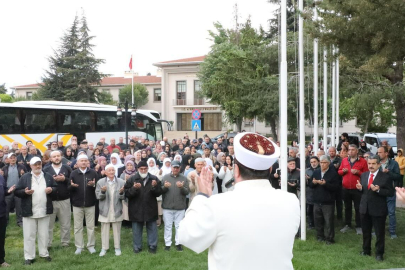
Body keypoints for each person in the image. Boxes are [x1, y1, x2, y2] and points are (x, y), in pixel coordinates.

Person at [178, 132, 300, 270]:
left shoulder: (217, 205)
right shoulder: (291, 201)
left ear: (236, 171)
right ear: (270, 169)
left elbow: (186, 236)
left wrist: (201, 196)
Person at [14, 157, 57, 265]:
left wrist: (51, 190)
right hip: (29, 211)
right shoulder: (25, 177)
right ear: (31, 166)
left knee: (44, 234)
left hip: (44, 210)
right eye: (35, 164)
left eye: (39, 164)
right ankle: (29, 256)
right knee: (29, 235)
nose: (38, 166)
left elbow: (56, 188)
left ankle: (44, 253)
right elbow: (17, 192)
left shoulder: (47, 176)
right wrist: (25, 192)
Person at [356, 155, 394, 261]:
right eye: (369, 163)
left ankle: (379, 253)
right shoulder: (364, 175)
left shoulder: (385, 177)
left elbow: (391, 193)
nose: (371, 166)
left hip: (378, 209)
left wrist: (378, 190)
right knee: (366, 231)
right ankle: (366, 250)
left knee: (379, 233)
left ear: (378, 164)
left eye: (373, 164)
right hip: (365, 208)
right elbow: (364, 192)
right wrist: (360, 189)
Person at [124, 161, 162, 254]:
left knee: (152, 228)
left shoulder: (154, 178)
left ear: (148, 169)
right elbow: (127, 194)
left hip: (150, 207)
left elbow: (159, 192)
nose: (143, 170)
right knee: (137, 229)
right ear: (138, 169)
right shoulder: (132, 179)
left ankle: (152, 246)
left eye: (145, 168)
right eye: (141, 169)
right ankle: (137, 247)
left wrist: (154, 187)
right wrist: (134, 188)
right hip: (136, 208)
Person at [69, 155, 98, 255]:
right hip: (77, 204)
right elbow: (69, 188)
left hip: (90, 203)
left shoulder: (93, 173)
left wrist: (93, 185)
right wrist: (72, 186)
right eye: (82, 161)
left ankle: (91, 245)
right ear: (77, 163)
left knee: (90, 226)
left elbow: (98, 187)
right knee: (78, 227)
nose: (84, 162)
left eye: (85, 160)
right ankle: (79, 246)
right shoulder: (73, 173)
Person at [43, 151, 72, 248]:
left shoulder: (67, 168)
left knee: (65, 223)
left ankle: (65, 243)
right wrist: (51, 181)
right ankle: (48, 244)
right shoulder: (46, 169)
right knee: (48, 224)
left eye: (58, 156)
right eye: (54, 156)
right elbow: (42, 183)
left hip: (64, 199)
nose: (56, 158)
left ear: (61, 157)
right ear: (50, 158)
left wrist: (65, 179)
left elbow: (73, 183)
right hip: (50, 200)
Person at [96, 164, 125, 257]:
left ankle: (117, 248)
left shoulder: (121, 182)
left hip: (116, 209)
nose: (112, 172)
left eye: (113, 170)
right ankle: (104, 248)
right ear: (105, 172)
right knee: (104, 230)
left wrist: (121, 193)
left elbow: (124, 197)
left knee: (117, 229)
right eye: (109, 170)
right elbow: (98, 196)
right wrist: (103, 192)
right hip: (105, 209)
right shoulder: (100, 182)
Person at [338, 144, 368, 234]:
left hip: (357, 188)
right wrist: (342, 171)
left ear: (357, 151)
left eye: (352, 150)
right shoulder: (344, 160)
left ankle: (359, 226)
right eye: (349, 150)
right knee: (347, 207)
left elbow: (366, 174)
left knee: (358, 207)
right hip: (346, 188)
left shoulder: (363, 161)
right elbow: (339, 171)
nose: (350, 151)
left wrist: (358, 172)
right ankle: (347, 224)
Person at [309, 155, 339, 244]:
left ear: (329, 163)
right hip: (317, 200)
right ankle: (320, 236)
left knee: (328, 221)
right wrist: (314, 183)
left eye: (324, 162)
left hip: (328, 201)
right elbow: (310, 185)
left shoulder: (333, 173)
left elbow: (336, 187)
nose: (322, 164)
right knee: (318, 220)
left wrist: (325, 184)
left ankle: (329, 238)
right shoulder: (316, 172)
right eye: (321, 162)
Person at [161, 160, 189, 251]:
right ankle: (167, 244)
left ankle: (178, 243)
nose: (176, 169)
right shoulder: (165, 177)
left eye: (177, 167)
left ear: (180, 168)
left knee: (179, 226)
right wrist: (165, 187)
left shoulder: (184, 178)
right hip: (167, 206)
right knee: (168, 226)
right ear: (171, 167)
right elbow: (160, 191)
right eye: (174, 167)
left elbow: (187, 192)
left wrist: (181, 187)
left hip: (180, 206)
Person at [377, 146, 401, 239]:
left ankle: (392, 231)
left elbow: (398, 176)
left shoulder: (393, 164)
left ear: (386, 153)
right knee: (379, 212)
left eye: (380, 152)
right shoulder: (376, 163)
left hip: (390, 191)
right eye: (378, 152)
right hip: (379, 191)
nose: (378, 154)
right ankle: (378, 230)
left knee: (391, 212)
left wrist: (388, 173)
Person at [1, 153, 27, 227]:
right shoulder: (4, 168)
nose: (13, 159)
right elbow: (2, 179)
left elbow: (27, 176)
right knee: (6, 207)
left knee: (19, 206)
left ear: (16, 159)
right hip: (8, 190)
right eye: (11, 158)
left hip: (18, 190)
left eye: (14, 157)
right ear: (8, 160)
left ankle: (20, 221)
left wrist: (23, 173)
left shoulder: (21, 167)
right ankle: (5, 221)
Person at [0, 174, 15, 267]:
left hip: (1, 213)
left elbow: (4, 190)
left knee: (1, 238)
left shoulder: (0, 177)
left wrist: (8, 191)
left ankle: (1, 260)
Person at [305, 156, 320, 229]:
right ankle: (311, 223)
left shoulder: (321, 169)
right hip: (310, 192)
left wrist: (310, 178)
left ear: (318, 162)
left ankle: (318, 224)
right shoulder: (307, 170)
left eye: (314, 162)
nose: (313, 163)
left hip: (319, 191)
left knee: (318, 210)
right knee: (310, 209)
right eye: (311, 162)